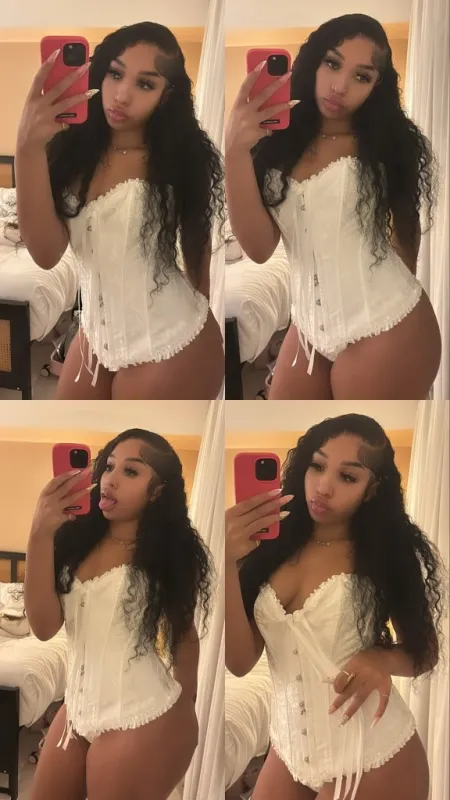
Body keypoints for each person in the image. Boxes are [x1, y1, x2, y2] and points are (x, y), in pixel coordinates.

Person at [225, 414, 445, 800]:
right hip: (288, 750)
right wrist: (226, 561)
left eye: (347, 476)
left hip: (372, 756)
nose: (323, 487)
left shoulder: (385, 553)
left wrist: (381, 659)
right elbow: (240, 663)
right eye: (317, 466)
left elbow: (425, 651)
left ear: (372, 489)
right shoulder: (269, 549)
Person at [225, 14, 441, 400]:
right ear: (313, 63)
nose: (340, 86)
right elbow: (258, 250)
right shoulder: (274, 143)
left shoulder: (387, 143)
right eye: (332, 63)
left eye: (362, 76)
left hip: (387, 322)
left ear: (377, 85)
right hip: (309, 327)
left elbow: (406, 230)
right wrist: (235, 151)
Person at [16, 22, 225, 400]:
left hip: (173, 339)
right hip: (94, 335)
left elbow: (197, 239)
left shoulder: (178, 156)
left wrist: (200, 308)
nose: (122, 95)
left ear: (166, 94)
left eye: (145, 84)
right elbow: (46, 255)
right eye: (115, 74)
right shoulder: (69, 152)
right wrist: (27, 147)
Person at [25, 428, 213, 800]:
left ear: (156, 491)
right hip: (75, 710)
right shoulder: (73, 539)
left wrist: (185, 708)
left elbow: (183, 634)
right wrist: (39, 534)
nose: (110, 479)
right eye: (108, 467)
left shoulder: (168, 554)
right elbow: (44, 628)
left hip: (140, 712)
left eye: (130, 471)